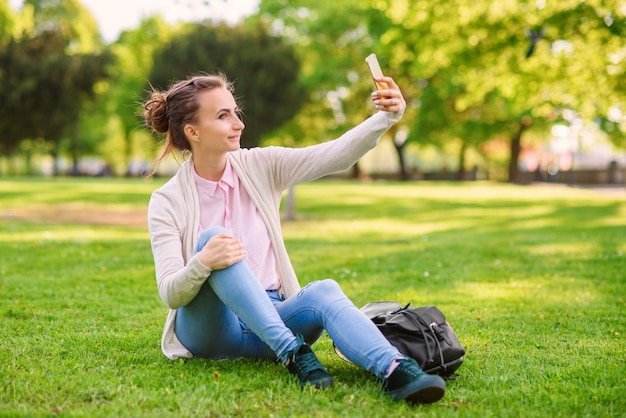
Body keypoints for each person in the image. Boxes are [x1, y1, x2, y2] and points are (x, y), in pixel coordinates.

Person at [142, 72, 446, 404]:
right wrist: (202, 263)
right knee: (214, 239)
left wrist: (385, 118)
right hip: (212, 331)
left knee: (324, 290)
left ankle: (395, 369)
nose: (238, 123)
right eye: (223, 115)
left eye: (235, 112)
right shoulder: (166, 200)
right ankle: (292, 353)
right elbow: (171, 292)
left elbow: (333, 155)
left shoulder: (261, 165)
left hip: (274, 317)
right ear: (193, 132)